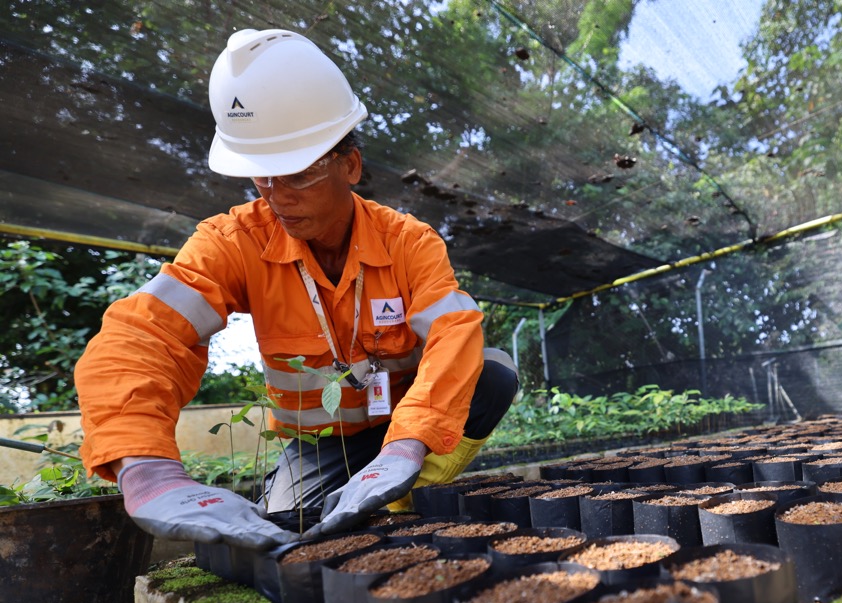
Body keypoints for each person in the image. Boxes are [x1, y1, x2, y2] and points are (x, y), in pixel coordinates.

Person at [74, 28, 518, 549]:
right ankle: (355, 493)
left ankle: (401, 496)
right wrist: (145, 466)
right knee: (289, 525)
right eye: (262, 178)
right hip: (318, 444)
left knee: (493, 371)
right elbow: (140, 335)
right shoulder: (232, 241)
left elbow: (452, 332)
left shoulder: (408, 243)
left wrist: (404, 448)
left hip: (402, 423)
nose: (278, 198)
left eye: (297, 175)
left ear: (350, 166)